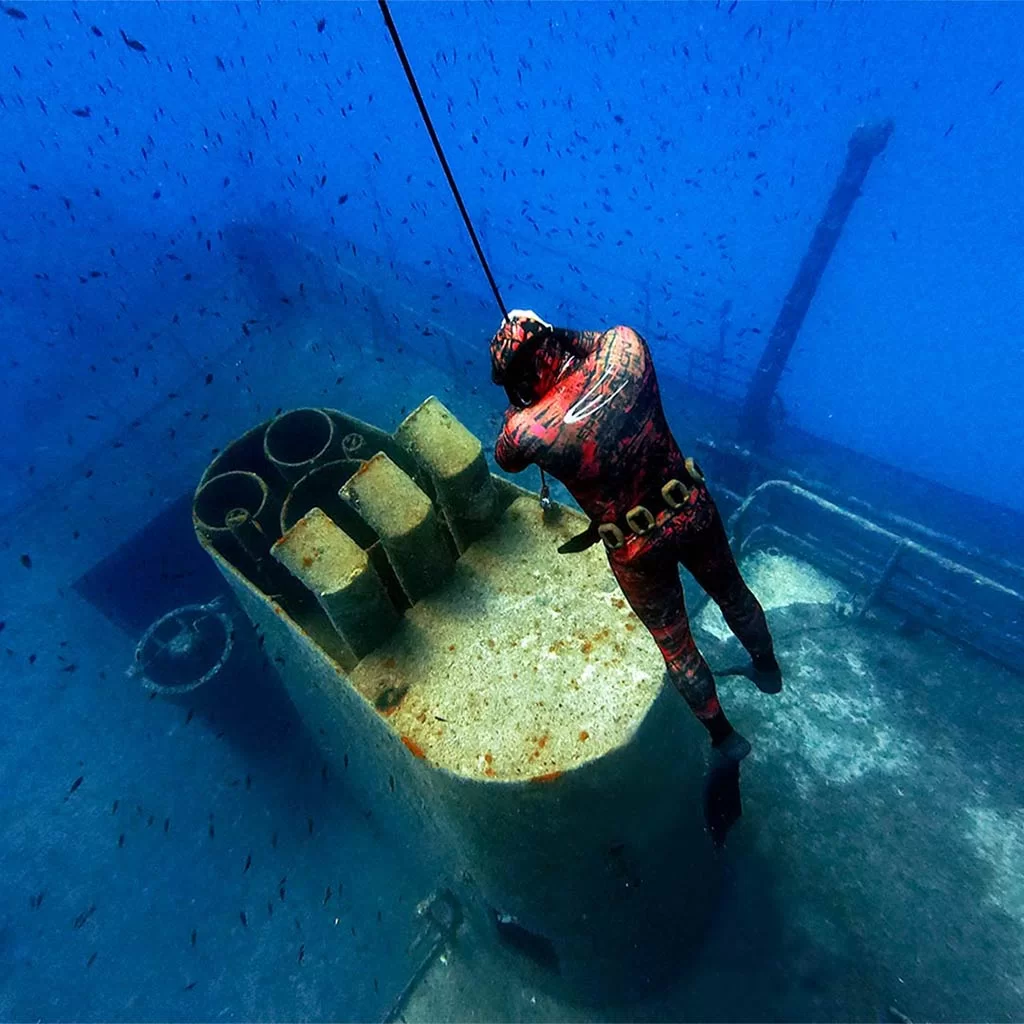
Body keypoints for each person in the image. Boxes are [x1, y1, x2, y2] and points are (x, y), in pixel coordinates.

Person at [488, 310, 783, 837]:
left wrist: (523, 393)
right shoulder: (625, 350)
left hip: (634, 546)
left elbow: (506, 450)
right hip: (689, 505)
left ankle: (724, 738)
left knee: (678, 647)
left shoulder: (529, 430)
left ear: (517, 375)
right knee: (733, 594)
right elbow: (588, 341)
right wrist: (550, 331)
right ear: (551, 336)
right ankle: (766, 668)